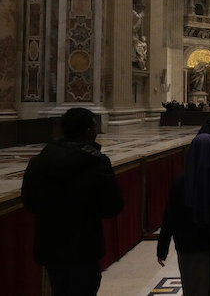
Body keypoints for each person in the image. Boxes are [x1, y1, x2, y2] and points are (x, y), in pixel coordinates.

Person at [21, 108, 124, 296]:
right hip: (84, 247)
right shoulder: (97, 163)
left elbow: (29, 202)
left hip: (50, 246)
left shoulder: (38, 162)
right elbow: (112, 207)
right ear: (89, 131)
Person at [157, 133, 210, 296]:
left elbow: (169, 217)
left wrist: (162, 248)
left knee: (194, 288)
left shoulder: (181, 182)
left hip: (189, 246)